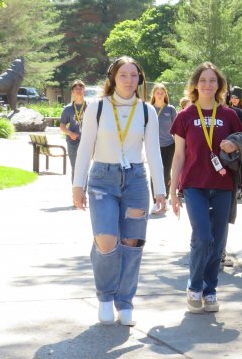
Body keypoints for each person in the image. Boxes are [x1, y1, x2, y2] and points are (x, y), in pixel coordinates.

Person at [72, 56, 165, 326]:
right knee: (106, 239)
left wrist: (159, 188)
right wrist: (78, 185)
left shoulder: (147, 111)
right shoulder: (97, 108)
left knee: (132, 243)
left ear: (140, 79)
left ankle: (125, 302)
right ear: (113, 78)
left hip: (135, 179)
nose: (129, 80)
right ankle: (105, 296)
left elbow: (154, 154)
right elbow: (85, 147)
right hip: (102, 178)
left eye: (134, 75)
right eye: (123, 75)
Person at [168, 62, 242, 314]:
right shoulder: (185, 116)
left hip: (223, 186)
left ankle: (210, 290)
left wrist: (236, 145)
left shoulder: (229, 115)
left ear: (219, 85)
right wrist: (172, 192)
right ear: (195, 85)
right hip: (194, 186)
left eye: (212, 81)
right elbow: (178, 156)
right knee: (202, 237)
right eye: (203, 80)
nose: (207, 85)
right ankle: (194, 286)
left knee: (218, 241)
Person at [149, 83, 177, 214]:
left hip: (169, 145)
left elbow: (177, 130)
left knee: (166, 173)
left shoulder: (170, 109)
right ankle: (155, 201)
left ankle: (164, 200)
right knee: (154, 172)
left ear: (165, 94)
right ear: (153, 94)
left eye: (162, 93)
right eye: (157, 93)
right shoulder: (149, 109)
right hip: (153, 145)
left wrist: (179, 147)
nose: (160, 95)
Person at [59, 79, 86, 182]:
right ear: (72, 92)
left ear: (84, 91)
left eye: (81, 88)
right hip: (73, 142)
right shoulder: (68, 108)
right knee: (75, 168)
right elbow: (62, 126)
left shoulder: (90, 107)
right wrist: (70, 133)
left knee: (85, 168)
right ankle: (76, 194)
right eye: (76, 89)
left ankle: (83, 192)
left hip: (86, 142)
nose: (79, 91)